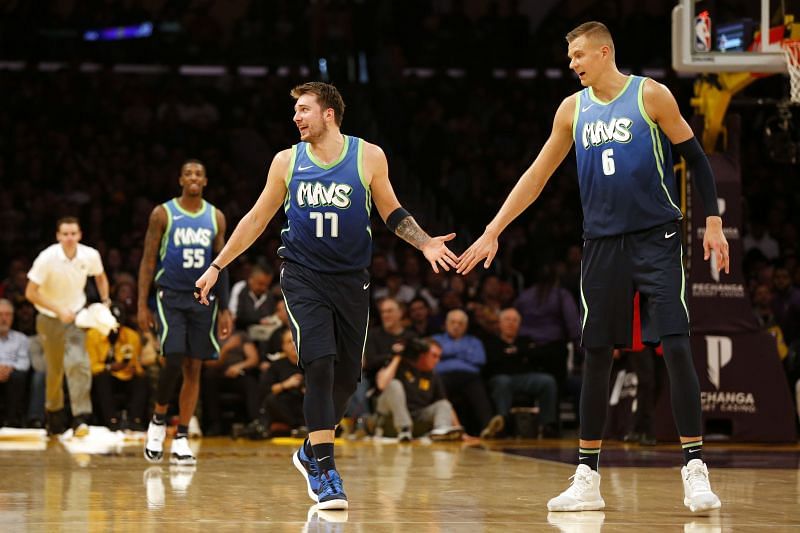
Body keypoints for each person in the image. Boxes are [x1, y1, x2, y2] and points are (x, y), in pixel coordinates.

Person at [457, 21, 729, 513]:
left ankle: (694, 467)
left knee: (675, 345)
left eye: (579, 55)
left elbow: (696, 156)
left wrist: (712, 221)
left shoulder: (651, 95)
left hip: (658, 237)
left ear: (604, 52)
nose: (573, 64)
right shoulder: (571, 111)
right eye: (570, 57)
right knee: (597, 353)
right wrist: (494, 229)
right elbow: (536, 176)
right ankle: (586, 476)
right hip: (602, 245)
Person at [195, 82, 457, 510]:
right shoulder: (286, 162)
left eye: (303, 110)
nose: (296, 118)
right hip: (303, 277)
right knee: (318, 363)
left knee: (347, 378)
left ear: (329, 113)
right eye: (295, 111)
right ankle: (326, 471)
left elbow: (392, 211)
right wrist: (216, 266)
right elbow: (257, 218)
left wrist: (425, 242)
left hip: (352, 281)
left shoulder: (368, 156)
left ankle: (307, 450)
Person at [138, 159, 233, 465]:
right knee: (174, 356)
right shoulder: (163, 213)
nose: (193, 177)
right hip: (170, 296)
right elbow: (148, 260)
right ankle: (158, 419)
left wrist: (226, 307)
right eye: (188, 173)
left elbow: (222, 263)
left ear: (205, 181)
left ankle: (180, 437)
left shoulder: (215, 216)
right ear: (180, 179)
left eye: (199, 174)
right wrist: (142, 304)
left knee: (194, 367)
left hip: (203, 298)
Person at [25, 217, 110, 436]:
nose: (70, 238)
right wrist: (57, 310)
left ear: (80, 235)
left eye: (73, 234)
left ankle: (80, 418)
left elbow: (100, 276)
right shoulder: (47, 258)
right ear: (58, 236)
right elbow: (30, 293)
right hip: (48, 318)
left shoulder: (89, 255)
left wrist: (106, 300)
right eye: (65, 234)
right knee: (54, 370)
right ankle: (54, 416)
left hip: (75, 316)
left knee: (78, 362)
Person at [482, 308, 559, 437]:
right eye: (507, 320)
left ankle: (547, 424)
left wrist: (516, 353)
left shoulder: (525, 340)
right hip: (501, 378)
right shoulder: (491, 342)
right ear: (499, 323)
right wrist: (519, 354)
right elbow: (493, 362)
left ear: (519, 325)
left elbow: (536, 356)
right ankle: (502, 424)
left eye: (515, 320)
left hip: (524, 378)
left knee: (547, 381)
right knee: (503, 382)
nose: (511, 323)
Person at [374, 337, 463, 442]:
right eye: (434, 356)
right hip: (389, 418)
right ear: (422, 354)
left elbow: (446, 405)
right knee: (394, 384)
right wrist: (398, 357)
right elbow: (382, 385)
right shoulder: (400, 364)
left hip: (416, 418)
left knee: (443, 404)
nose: (437, 361)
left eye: (439, 357)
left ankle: (441, 432)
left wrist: (461, 432)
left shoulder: (433, 375)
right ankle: (404, 428)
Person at [432, 310, 504, 438]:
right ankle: (447, 428)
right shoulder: (436, 340)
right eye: (453, 322)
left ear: (466, 326)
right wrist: (463, 353)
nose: (456, 326)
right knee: (438, 385)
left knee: (478, 387)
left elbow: (479, 360)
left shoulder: (475, 341)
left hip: (469, 377)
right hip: (442, 376)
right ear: (446, 324)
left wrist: (447, 354)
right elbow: (431, 360)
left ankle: (487, 428)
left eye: (460, 323)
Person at [86, 308, 149, 430]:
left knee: (141, 380)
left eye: (118, 325)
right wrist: (109, 367)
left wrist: (133, 367)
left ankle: (135, 421)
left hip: (126, 375)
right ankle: (112, 421)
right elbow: (92, 366)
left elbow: (136, 365)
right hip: (104, 376)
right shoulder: (92, 336)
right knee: (102, 378)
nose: (115, 329)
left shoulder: (132, 336)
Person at [0, 299, 30, 427]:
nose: (4, 319)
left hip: (12, 375)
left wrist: (9, 368)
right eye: (0, 314)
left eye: (8, 314)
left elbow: (25, 363)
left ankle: (11, 420)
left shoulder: (21, 338)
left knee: (18, 376)